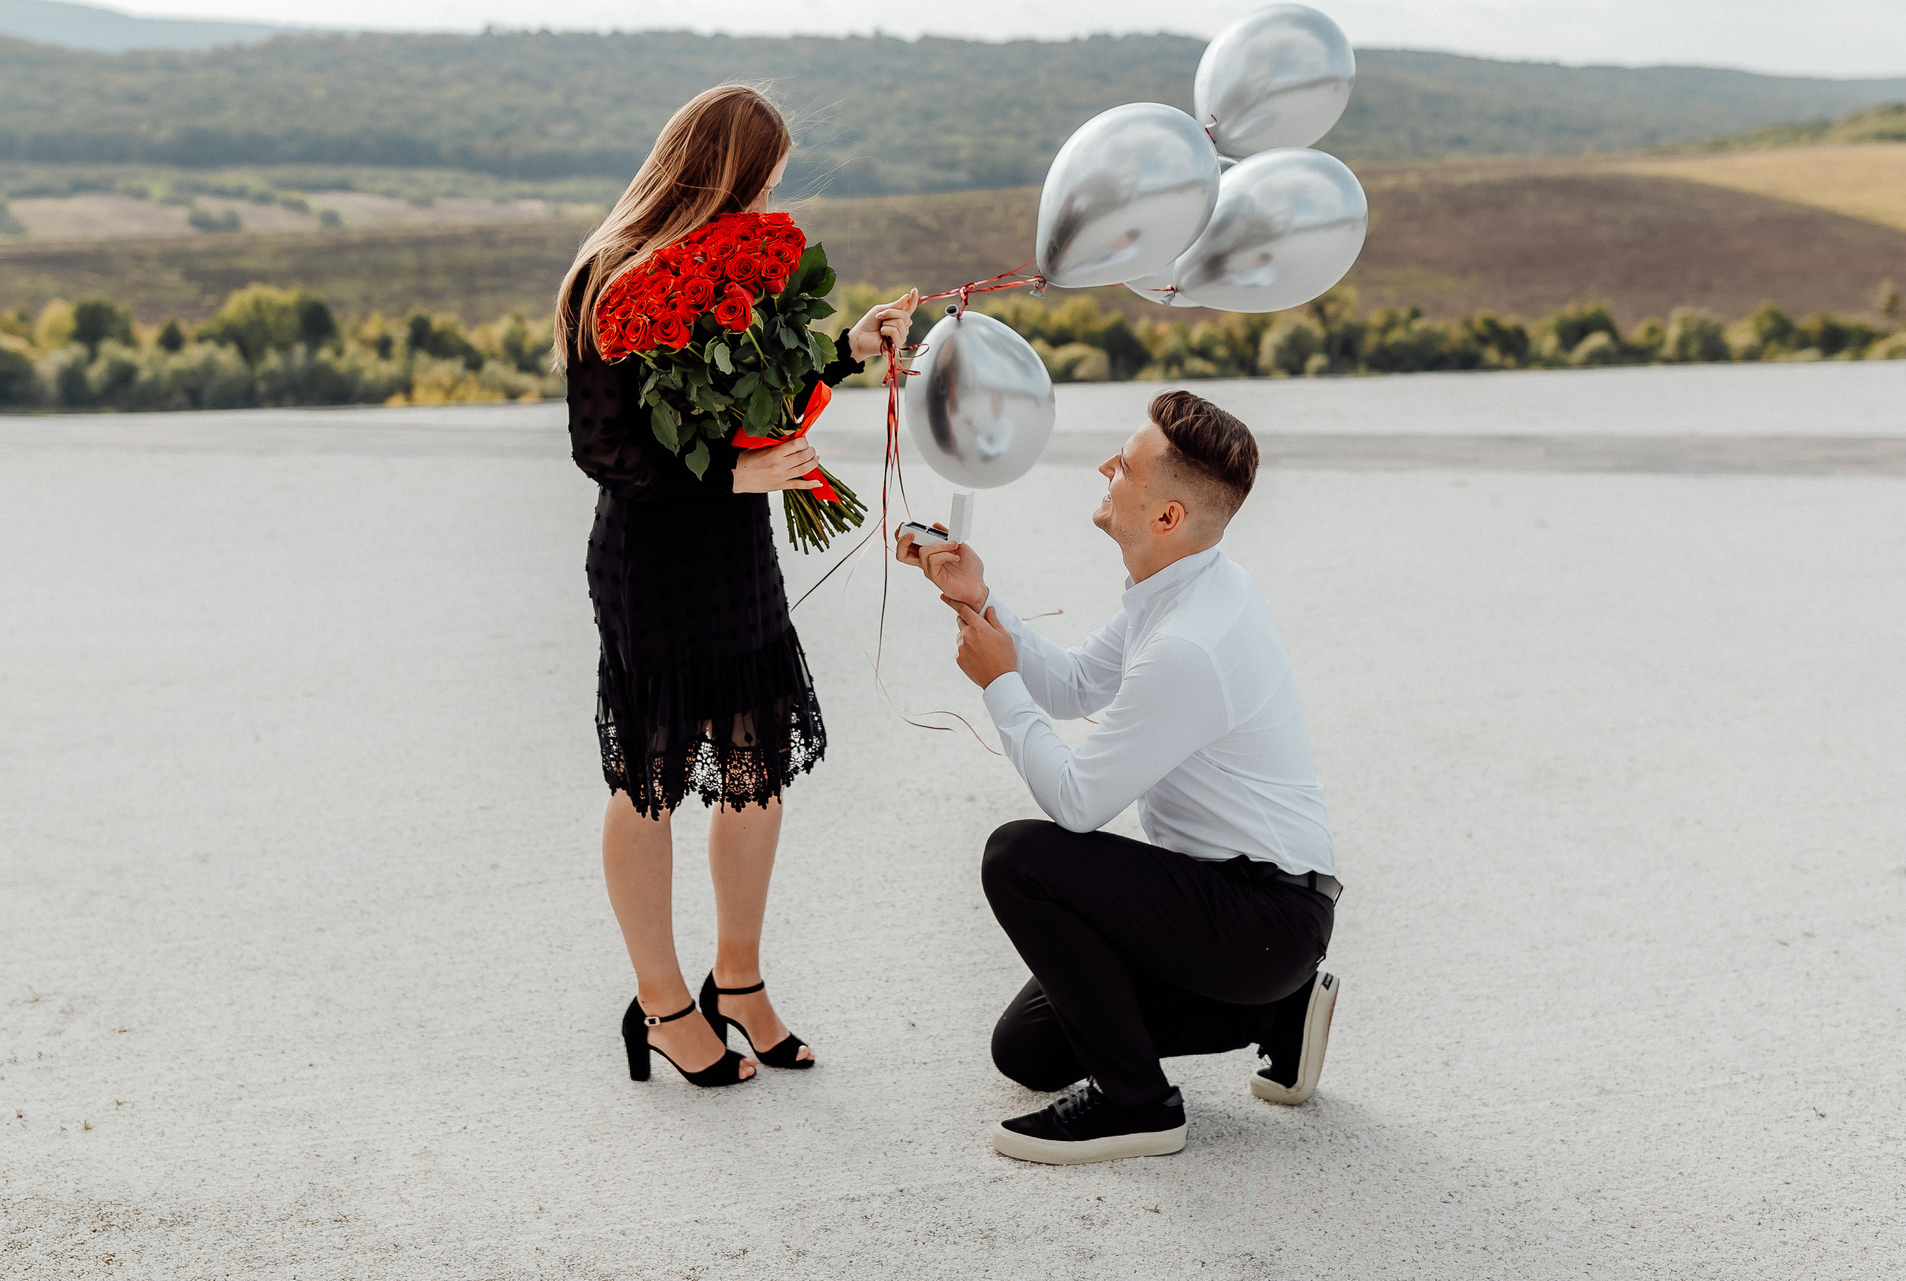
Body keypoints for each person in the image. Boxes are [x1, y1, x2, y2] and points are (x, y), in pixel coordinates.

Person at [558, 84, 916, 1089]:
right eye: (763, 180)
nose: (769, 200)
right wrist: (730, 474)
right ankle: (662, 1003)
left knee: (755, 766)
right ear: (721, 171)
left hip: (735, 554)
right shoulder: (603, 276)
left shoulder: (740, 261)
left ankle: (740, 984)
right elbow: (602, 449)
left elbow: (765, 387)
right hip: (653, 561)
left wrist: (846, 350)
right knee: (653, 775)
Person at [899, 389, 1341, 1162]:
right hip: (1232, 907)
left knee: (1019, 856)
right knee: (1026, 1051)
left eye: (1127, 464)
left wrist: (999, 683)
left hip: (1260, 916)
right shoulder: (1181, 584)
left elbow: (1078, 802)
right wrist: (980, 598)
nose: (1106, 465)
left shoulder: (1191, 642)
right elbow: (1075, 685)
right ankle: (1279, 1010)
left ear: (1167, 516)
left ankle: (1140, 1106)